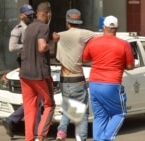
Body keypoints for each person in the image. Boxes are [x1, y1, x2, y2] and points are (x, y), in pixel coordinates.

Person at [83, 15, 135, 141]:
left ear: (103, 27)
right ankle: (105, 139)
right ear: (117, 28)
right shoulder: (124, 44)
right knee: (119, 113)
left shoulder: (93, 41)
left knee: (100, 115)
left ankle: (98, 139)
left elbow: (85, 58)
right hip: (112, 84)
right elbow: (130, 65)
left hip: (94, 83)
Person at [54, 9, 97, 141]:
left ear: (67, 22)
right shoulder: (84, 34)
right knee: (82, 113)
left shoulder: (60, 36)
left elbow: (57, 59)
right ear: (79, 22)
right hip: (77, 79)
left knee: (69, 106)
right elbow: (99, 38)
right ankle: (81, 138)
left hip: (64, 79)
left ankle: (61, 132)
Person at [0, 4, 42, 138]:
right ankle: (35, 131)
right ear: (21, 15)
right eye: (27, 14)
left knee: (35, 99)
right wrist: (27, 47)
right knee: (37, 99)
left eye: (31, 14)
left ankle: (13, 120)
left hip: (34, 63)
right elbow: (12, 47)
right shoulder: (18, 29)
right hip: (26, 64)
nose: (30, 16)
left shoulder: (33, 27)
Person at [19, 2, 56, 141]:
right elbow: (41, 47)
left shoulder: (28, 28)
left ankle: (29, 138)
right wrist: (53, 41)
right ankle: (40, 136)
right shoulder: (43, 27)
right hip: (39, 74)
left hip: (25, 74)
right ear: (48, 14)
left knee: (29, 108)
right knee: (49, 105)